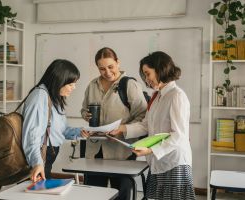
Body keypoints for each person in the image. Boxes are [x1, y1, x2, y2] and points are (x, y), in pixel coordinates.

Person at [110, 51, 196, 200]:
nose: (146, 79)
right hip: (159, 162)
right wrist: (122, 129)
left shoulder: (176, 95)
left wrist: (150, 150)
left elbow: (179, 136)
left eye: (147, 73)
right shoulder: (157, 96)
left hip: (174, 163)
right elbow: (146, 125)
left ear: (160, 69)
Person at [81, 47, 147, 200]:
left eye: (110, 67)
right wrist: (86, 115)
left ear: (118, 62)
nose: (107, 72)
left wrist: (122, 129)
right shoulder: (92, 85)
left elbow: (143, 117)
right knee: (94, 195)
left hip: (121, 151)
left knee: (122, 195)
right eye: (102, 68)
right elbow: (84, 109)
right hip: (95, 150)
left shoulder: (130, 85)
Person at [22, 59, 89, 182]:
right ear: (59, 81)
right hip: (40, 157)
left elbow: (61, 130)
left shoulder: (54, 98)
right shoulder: (39, 96)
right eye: (70, 84)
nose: (74, 88)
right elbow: (31, 135)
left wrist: (80, 132)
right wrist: (37, 163)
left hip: (47, 157)